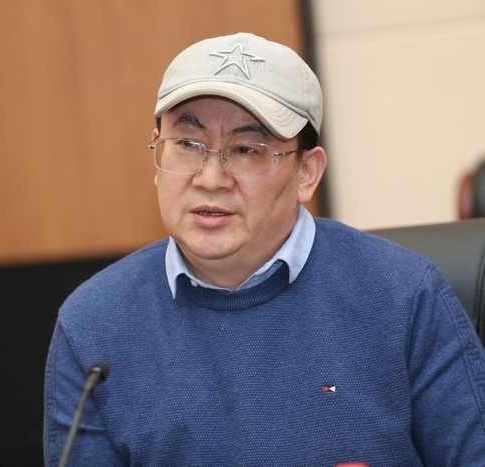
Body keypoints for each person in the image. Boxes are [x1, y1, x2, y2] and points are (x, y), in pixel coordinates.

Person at [43, 32, 485, 466]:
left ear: (307, 173)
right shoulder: (93, 324)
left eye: (247, 150)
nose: (210, 179)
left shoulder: (404, 296)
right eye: (188, 145)